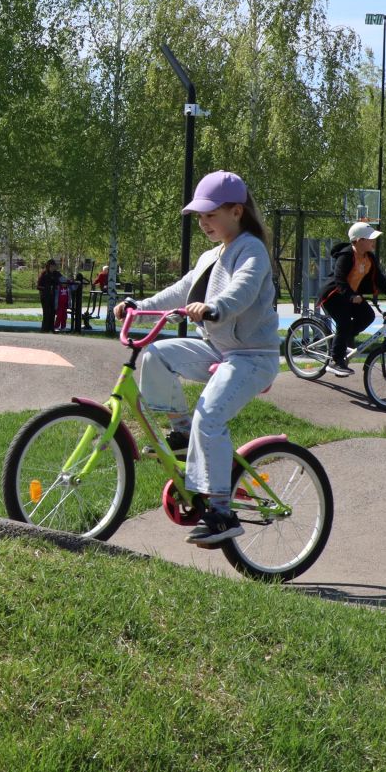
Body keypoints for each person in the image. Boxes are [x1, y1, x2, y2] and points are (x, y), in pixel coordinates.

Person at [111, 171, 278, 548]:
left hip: (253, 356)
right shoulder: (210, 255)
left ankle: (221, 512)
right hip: (218, 350)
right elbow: (181, 290)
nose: (203, 222)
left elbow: (244, 289)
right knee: (154, 355)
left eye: (210, 215)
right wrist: (140, 306)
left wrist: (216, 307)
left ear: (237, 211)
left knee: (211, 414)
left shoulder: (251, 249)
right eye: (199, 216)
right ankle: (182, 431)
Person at [320, 222, 386, 377]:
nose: (373, 241)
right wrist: (351, 295)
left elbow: (379, 278)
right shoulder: (346, 256)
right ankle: (335, 361)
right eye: (370, 239)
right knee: (344, 323)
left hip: (351, 296)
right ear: (359, 241)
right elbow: (339, 279)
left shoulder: (369, 257)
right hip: (334, 295)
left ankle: (344, 340)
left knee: (367, 316)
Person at [36, 259, 63, 332]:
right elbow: (38, 286)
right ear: (49, 266)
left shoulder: (57, 274)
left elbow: (63, 280)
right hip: (45, 297)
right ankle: (44, 328)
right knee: (46, 312)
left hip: (54, 296)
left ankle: (51, 328)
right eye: (52, 266)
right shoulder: (44, 274)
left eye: (54, 266)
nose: (53, 267)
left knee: (53, 312)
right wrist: (46, 288)